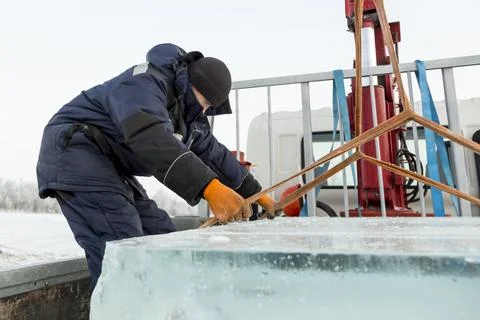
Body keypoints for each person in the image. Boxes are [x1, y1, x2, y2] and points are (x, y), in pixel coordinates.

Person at [36, 43, 275, 289]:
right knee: (122, 241)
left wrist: (255, 192)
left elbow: (214, 154)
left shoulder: (187, 113)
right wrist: (209, 188)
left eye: (208, 108)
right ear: (190, 84)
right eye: (202, 102)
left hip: (107, 162)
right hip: (74, 149)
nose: (202, 110)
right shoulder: (145, 83)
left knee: (160, 234)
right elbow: (150, 136)